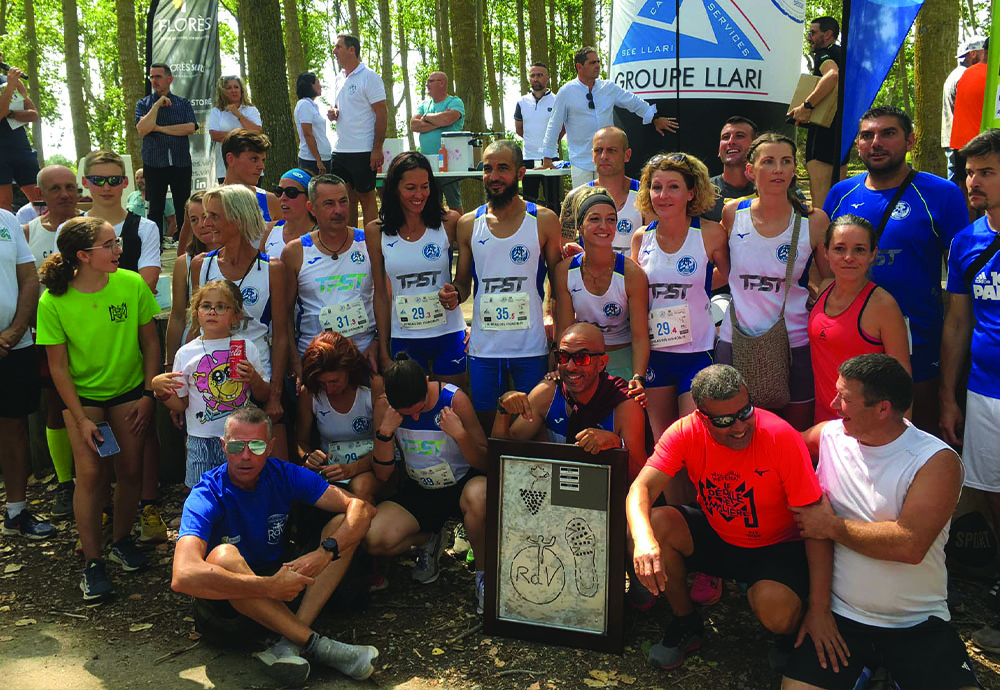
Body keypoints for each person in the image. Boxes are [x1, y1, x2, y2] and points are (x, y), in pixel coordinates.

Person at [783, 354, 979, 690]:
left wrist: (830, 526)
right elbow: (784, 447)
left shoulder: (935, 461)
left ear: (883, 409)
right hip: (842, 617)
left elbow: (909, 544)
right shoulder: (831, 435)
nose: (832, 404)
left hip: (918, 622)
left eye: (844, 398)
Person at [627, 365, 827, 671]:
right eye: (723, 420)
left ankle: (790, 635)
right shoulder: (685, 432)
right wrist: (643, 542)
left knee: (777, 610)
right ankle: (686, 622)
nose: (739, 427)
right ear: (701, 417)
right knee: (653, 525)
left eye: (745, 411)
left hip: (776, 545)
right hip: (719, 532)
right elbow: (641, 488)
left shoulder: (780, 436)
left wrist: (820, 609)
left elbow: (815, 523)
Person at [171, 406, 378, 686]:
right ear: (223, 447)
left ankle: (289, 642)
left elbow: (361, 508)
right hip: (227, 612)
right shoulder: (207, 493)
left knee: (343, 525)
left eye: (256, 446)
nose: (246, 456)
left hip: (281, 588)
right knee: (222, 556)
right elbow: (182, 575)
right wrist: (267, 587)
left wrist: (325, 552)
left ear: (270, 447)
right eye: (236, 446)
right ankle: (320, 647)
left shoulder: (283, 474)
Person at [37, 217, 161, 600]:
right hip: (83, 400)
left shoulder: (132, 283)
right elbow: (58, 367)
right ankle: (93, 563)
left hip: (128, 393)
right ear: (83, 256)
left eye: (117, 242)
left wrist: (147, 395)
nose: (118, 250)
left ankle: (122, 542)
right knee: (90, 475)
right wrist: (78, 418)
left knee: (130, 469)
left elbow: (151, 344)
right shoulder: (52, 300)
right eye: (109, 244)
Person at [824, 106, 968, 434]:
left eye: (888, 133)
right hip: (851, 343)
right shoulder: (840, 194)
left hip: (919, 344)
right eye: (867, 135)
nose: (876, 142)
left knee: (917, 438)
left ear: (910, 141)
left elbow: (961, 278)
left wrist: (949, 389)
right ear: (857, 144)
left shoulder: (942, 194)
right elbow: (824, 267)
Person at [438, 140, 563, 433]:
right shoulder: (469, 223)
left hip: (530, 346)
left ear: (520, 173)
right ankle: (489, 477)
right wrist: (453, 294)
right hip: (485, 349)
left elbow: (559, 289)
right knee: (485, 423)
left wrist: (557, 339)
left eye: (502, 168)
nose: (494, 176)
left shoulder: (543, 220)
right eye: (488, 169)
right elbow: (464, 285)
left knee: (530, 424)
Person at [719, 133, 832, 431]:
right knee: (736, 428)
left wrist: (818, 294)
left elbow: (831, 280)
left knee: (796, 435)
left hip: (794, 342)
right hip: (736, 340)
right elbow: (723, 271)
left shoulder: (814, 220)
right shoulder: (732, 214)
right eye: (768, 162)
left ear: (795, 169)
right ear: (750, 171)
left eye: (786, 162)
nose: (778, 169)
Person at [363, 354, 488, 610]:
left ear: (428, 383)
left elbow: (485, 462)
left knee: (480, 497)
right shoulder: (384, 407)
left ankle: (484, 577)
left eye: (419, 409)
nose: (416, 418)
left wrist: (460, 435)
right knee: (374, 538)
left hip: (462, 483)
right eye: (407, 414)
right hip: (420, 488)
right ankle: (428, 540)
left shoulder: (454, 400)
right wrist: (385, 433)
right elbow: (383, 473)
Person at [940, 129, 1000, 649]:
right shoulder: (967, 240)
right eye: (969, 172)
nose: (972, 182)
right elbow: (958, 324)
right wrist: (947, 395)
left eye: (986, 172)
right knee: (994, 492)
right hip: (983, 392)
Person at [631, 152, 730, 441]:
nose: (663, 195)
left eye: (673, 187)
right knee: (665, 444)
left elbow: (733, 277)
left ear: (691, 192)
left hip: (697, 353)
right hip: (655, 355)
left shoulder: (711, 234)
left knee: (693, 439)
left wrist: (700, 288)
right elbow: (633, 291)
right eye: (656, 187)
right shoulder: (641, 237)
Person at [190, 185, 290, 460]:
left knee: (270, 465)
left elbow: (281, 334)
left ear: (238, 217)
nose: (205, 223)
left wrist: (274, 396)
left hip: (257, 378)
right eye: (203, 216)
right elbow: (193, 326)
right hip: (211, 380)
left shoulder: (272, 268)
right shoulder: (202, 264)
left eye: (214, 216)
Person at [493, 323, 650, 479]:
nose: (571, 366)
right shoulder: (548, 393)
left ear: (602, 363)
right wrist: (503, 411)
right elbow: (501, 456)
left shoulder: (625, 404)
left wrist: (616, 446)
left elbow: (643, 479)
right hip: (553, 489)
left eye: (582, 358)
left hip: (607, 495)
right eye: (563, 357)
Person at [154, 280, 268, 487]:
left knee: (242, 488)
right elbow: (180, 405)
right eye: (206, 306)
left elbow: (263, 396)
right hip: (201, 437)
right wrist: (160, 391)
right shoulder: (185, 353)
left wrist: (254, 378)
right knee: (200, 491)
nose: (212, 312)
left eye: (221, 307)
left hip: (240, 439)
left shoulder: (247, 347)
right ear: (196, 313)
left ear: (236, 316)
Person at [365, 152, 464, 387]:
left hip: (448, 333)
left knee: (452, 406)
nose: (419, 195)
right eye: (410, 187)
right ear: (395, 189)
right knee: (411, 410)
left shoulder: (449, 222)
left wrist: (457, 294)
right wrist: (383, 346)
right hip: (405, 336)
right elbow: (380, 293)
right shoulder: (376, 231)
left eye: (425, 186)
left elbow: (472, 272)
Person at [808, 215, 910, 423]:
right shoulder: (825, 288)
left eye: (859, 250)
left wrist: (900, 441)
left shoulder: (883, 306)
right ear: (825, 252)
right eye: (839, 249)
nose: (848, 257)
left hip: (868, 429)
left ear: (873, 254)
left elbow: (903, 379)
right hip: (824, 423)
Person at [22, 164, 79, 517]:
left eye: (70, 186)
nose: (64, 194)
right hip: (46, 336)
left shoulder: (92, 228)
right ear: (40, 194)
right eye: (55, 188)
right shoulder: (27, 231)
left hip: (93, 333)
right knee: (57, 408)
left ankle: (105, 479)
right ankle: (65, 481)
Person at [539, 46, 678, 188]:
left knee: (609, 202)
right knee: (583, 205)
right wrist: (547, 159)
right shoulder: (566, 92)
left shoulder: (608, 88)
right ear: (579, 67)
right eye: (592, 63)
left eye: (598, 62)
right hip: (581, 162)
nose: (598, 66)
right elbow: (554, 125)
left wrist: (655, 118)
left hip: (608, 161)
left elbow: (633, 102)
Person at [283, 174, 379, 377]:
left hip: (363, 356)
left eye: (343, 202)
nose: (339, 210)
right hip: (315, 360)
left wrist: (379, 343)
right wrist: (294, 361)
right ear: (312, 208)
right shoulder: (295, 252)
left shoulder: (369, 243)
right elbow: (284, 315)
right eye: (329, 204)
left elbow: (386, 297)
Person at [554, 187, 649, 382]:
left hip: (623, 359)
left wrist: (638, 377)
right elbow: (564, 331)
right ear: (580, 226)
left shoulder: (632, 273)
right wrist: (560, 368)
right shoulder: (565, 271)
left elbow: (640, 337)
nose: (604, 226)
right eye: (595, 219)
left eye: (611, 219)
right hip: (582, 362)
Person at [0, 206, 55, 539]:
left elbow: (28, 278)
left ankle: (16, 513)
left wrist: (16, 330)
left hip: (13, 344)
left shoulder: (6, 219)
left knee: (14, 426)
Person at [298, 331, 382, 504]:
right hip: (331, 470)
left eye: (334, 382)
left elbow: (386, 445)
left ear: (349, 370)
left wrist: (352, 469)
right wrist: (307, 456)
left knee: (360, 488)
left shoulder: (373, 386)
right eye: (322, 383)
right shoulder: (310, 394)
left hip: (372, 466)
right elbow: (300, 441)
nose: (328, 390)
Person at [76, 150, 161, 292]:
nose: (106, 187)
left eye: (114, 180)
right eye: (98, 180)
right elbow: (63, 278)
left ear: (125, 182)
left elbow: (148, 282)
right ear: (85, 182)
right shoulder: (69, 229)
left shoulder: (146, 228)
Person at [328, 33, 387, 227]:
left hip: (362, 149)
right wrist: (334, 113)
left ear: (351, 49)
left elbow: (381, 112)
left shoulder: (369, 77)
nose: (334, 51)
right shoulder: (338, 79)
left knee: (366, 197)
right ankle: (351, 241)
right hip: (339, 150)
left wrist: (377, 148)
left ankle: (371, 243)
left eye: (338, 47)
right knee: (345, 198)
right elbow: (342, 107)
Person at [135, 63, 196, 243]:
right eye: (151, 77)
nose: (154, 81)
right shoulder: (143, 104)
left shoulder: (183, 103)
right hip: (154, 162)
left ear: (169, 79)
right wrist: (156, 106)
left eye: (158, 77)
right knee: (155, 208)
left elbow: (190, 128)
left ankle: (185, 244)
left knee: (183, 206)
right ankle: (155, 245)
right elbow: (143, 129)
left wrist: (159, 128)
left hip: (180, 161)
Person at [788, 16, 845, 210]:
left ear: (828, 35)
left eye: (813, 33)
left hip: (823, 131)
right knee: (839, 194)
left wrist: (806, 106)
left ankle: (820, 238)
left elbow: (832, 75)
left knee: (819, 198)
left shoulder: (824, 53)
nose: (809, 38)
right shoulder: (845, 54)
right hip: (842, 132)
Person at [560, 127, 646, 253]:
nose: (604, 156)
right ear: (592, 155)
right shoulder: (576, 198)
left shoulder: (645, 194)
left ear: (627, 155)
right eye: (598, 150)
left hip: (633, 271)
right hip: (591, 271)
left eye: (611, 150)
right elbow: (565, 250)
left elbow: (653, 248)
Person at [165, 192, 218, 371]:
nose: (201, 225)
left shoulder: (240, 260)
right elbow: (178, 316)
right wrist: (170, 363)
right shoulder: (184, 263)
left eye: (205, 216)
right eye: (193, 219)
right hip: (192, 345)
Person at [410, 71, 465, 213]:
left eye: (430, 81)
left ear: (442, 83)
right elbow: (414, 125)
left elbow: (448, 119)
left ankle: (459, 231)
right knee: (433, 202)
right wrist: (438, 122)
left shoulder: (455, 102)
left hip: (450, 162)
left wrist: (426, 118)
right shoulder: (424, 104)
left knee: (454, 201)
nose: (427, 84)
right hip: (428, 162)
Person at [514, 62, 560, 204]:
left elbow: (562, 128)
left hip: (551, 158)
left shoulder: (557, 100)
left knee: (552, 201)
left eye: (540, 75)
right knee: (529, 201)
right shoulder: (522, 102)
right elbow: (519, 129)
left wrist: (548, 145)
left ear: (548, 78)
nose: (536, 78)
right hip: (528, 159)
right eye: (533, 75)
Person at [942, 37, 986, 183]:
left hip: (954, 138)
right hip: (962, 140)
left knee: (957, 181)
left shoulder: (956, 73)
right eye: (983, 53)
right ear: (973, 54)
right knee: (962, 185)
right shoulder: (966, 75)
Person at [951, 37, 990, 197]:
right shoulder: (992, 75)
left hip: (962, 145)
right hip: (985, 146)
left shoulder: (967, 73)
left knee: (968, 196)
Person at [0, 64, 40, 213]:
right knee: (4, 204)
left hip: (21, 148)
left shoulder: (10, 81)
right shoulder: (10, 84)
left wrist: (10, 114)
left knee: (41, 199)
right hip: (1, 152)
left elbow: (33, 115)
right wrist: (9, 89)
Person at [702, 117, 758, 223]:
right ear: (719, 150)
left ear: (755, 147)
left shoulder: (774, 188)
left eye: (740, 136)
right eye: (725, 137)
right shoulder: (703, 192)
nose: (731, 141)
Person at [207, 75, 262, 182]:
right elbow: (215, 135)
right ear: (223, 92)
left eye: (236, 87)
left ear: (241, 90)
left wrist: (237, 114)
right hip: (225, 168)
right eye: (229, 88)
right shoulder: (217, 111)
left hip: (251, 167)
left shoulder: (251, 110)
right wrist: (244, 134)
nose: (233, 91)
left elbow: (257, 133)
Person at [219, 129, 281, 222]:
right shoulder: (207, 202)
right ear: (231, 159)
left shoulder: (271, 202)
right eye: (254, 159)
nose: (261, 167)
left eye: (262, 160)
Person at [261, 168, 315, 256]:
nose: (283, 197)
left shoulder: (323, 236)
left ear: (310, 198)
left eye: (291, 192)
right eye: (279, 191)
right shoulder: (268, 231)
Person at [294, 72, 332, 176]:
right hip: (311, 160)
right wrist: (318, 160)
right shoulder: (304, 105)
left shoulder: (312, 105)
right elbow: (307, 133)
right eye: (317, 82)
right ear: (310, 86)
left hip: (324, 157)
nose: (320, 86)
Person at [126, 168, 177, 241]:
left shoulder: (162, 196)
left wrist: (164, 240)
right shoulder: (132, 196)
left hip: (155, 240)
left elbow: (172, 222)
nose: (139, 181)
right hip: (135, 240)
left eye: (142, 177)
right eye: (137, 178)